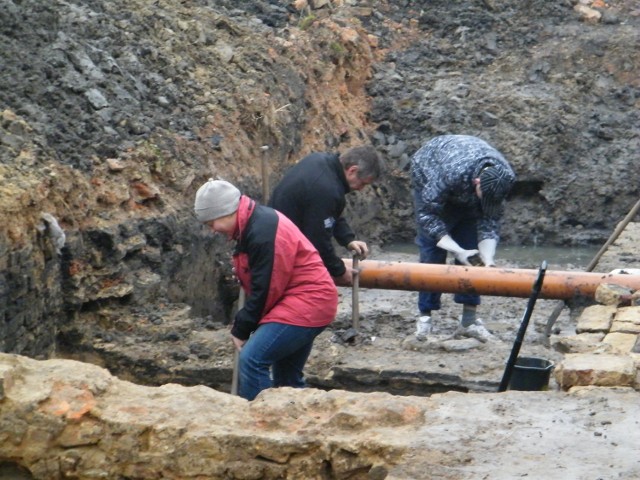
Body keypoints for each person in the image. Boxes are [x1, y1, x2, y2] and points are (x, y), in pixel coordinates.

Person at [194, 178, 338, 401]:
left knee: (252, 359)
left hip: (307, 302)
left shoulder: (262, 231)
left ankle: (260, 426)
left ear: (225, 212)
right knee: (287, 378)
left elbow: (268, 287)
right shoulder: (252, 224)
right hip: (304, 300)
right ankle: (294, 427)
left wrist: (242, 327)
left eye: (212, 223)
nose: (213, 231)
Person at [411, 135, 516, 342]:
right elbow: (427, 216)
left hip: (463, 185)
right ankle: (425, 319)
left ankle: (469, 321)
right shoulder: (451, 173)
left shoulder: (504, 177)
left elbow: (490, 221)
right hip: (429, 170)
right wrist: (457, 251)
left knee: (471, 246)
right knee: (433, 252)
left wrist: (488, 259)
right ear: (477, 182)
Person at [268, 145, 385, 286]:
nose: (361, 189)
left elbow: (329, 212)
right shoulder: (326, 189)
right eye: (363, 183)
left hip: (276, 236)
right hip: (278, 254)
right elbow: (318, 241)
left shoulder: (320, 162)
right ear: (352, 170)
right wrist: (339, 271)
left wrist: (348, 239)